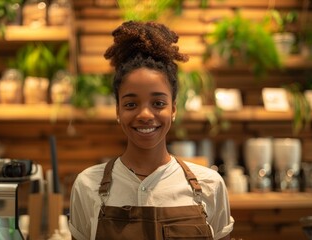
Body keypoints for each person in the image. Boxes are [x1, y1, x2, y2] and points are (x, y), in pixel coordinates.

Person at [69, 20, 234, 240]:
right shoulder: (87, 185)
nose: (145, 115)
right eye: (130, 104)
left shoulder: (210, 185)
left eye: (158, 103)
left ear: (173, 109)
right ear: (117, 110)